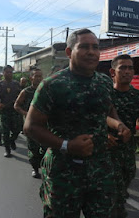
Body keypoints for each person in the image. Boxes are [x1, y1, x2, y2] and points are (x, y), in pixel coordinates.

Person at [23, 28, 131, 217]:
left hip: (100, 170)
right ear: (69, 52)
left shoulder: (104, 82)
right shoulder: (52, 85)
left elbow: (108, 108)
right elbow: (31, 127)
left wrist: (119, 124)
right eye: (84, 47)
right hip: (63, 172)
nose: (92, 52)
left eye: (95, 47)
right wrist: (67, 145)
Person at [108, 54, 139, 217]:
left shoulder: (136, 95)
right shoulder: (105, 94)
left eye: (130, 68)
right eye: (123, 68)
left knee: (128, 177)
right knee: (113, 190)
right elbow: (93, 119)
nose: (127, 71)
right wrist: (104, 135)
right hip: (106, 150)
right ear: (113, 72)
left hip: (127, 149)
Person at [14, 68, 44, 177]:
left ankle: (44, 167)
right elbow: (16, 105)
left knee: (45, 148)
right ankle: (35, 168)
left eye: (40, 76)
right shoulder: (26, 92)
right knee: (33, 148)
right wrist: (25, 113)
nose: (39, 78)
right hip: (31, 125)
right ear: (31, 77)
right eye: (36, 76)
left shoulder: (46, 90)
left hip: (44, 124)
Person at [0, 65, 22, 157]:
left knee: (17, 129)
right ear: (3, 73)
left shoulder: (16, 84)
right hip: (3, 111)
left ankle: (12, 140)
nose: (9, 74)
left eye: (11, 72)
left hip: (14, 111)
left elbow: (21, 95)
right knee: (5, 131)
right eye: (7, 72)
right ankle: (7, 150)